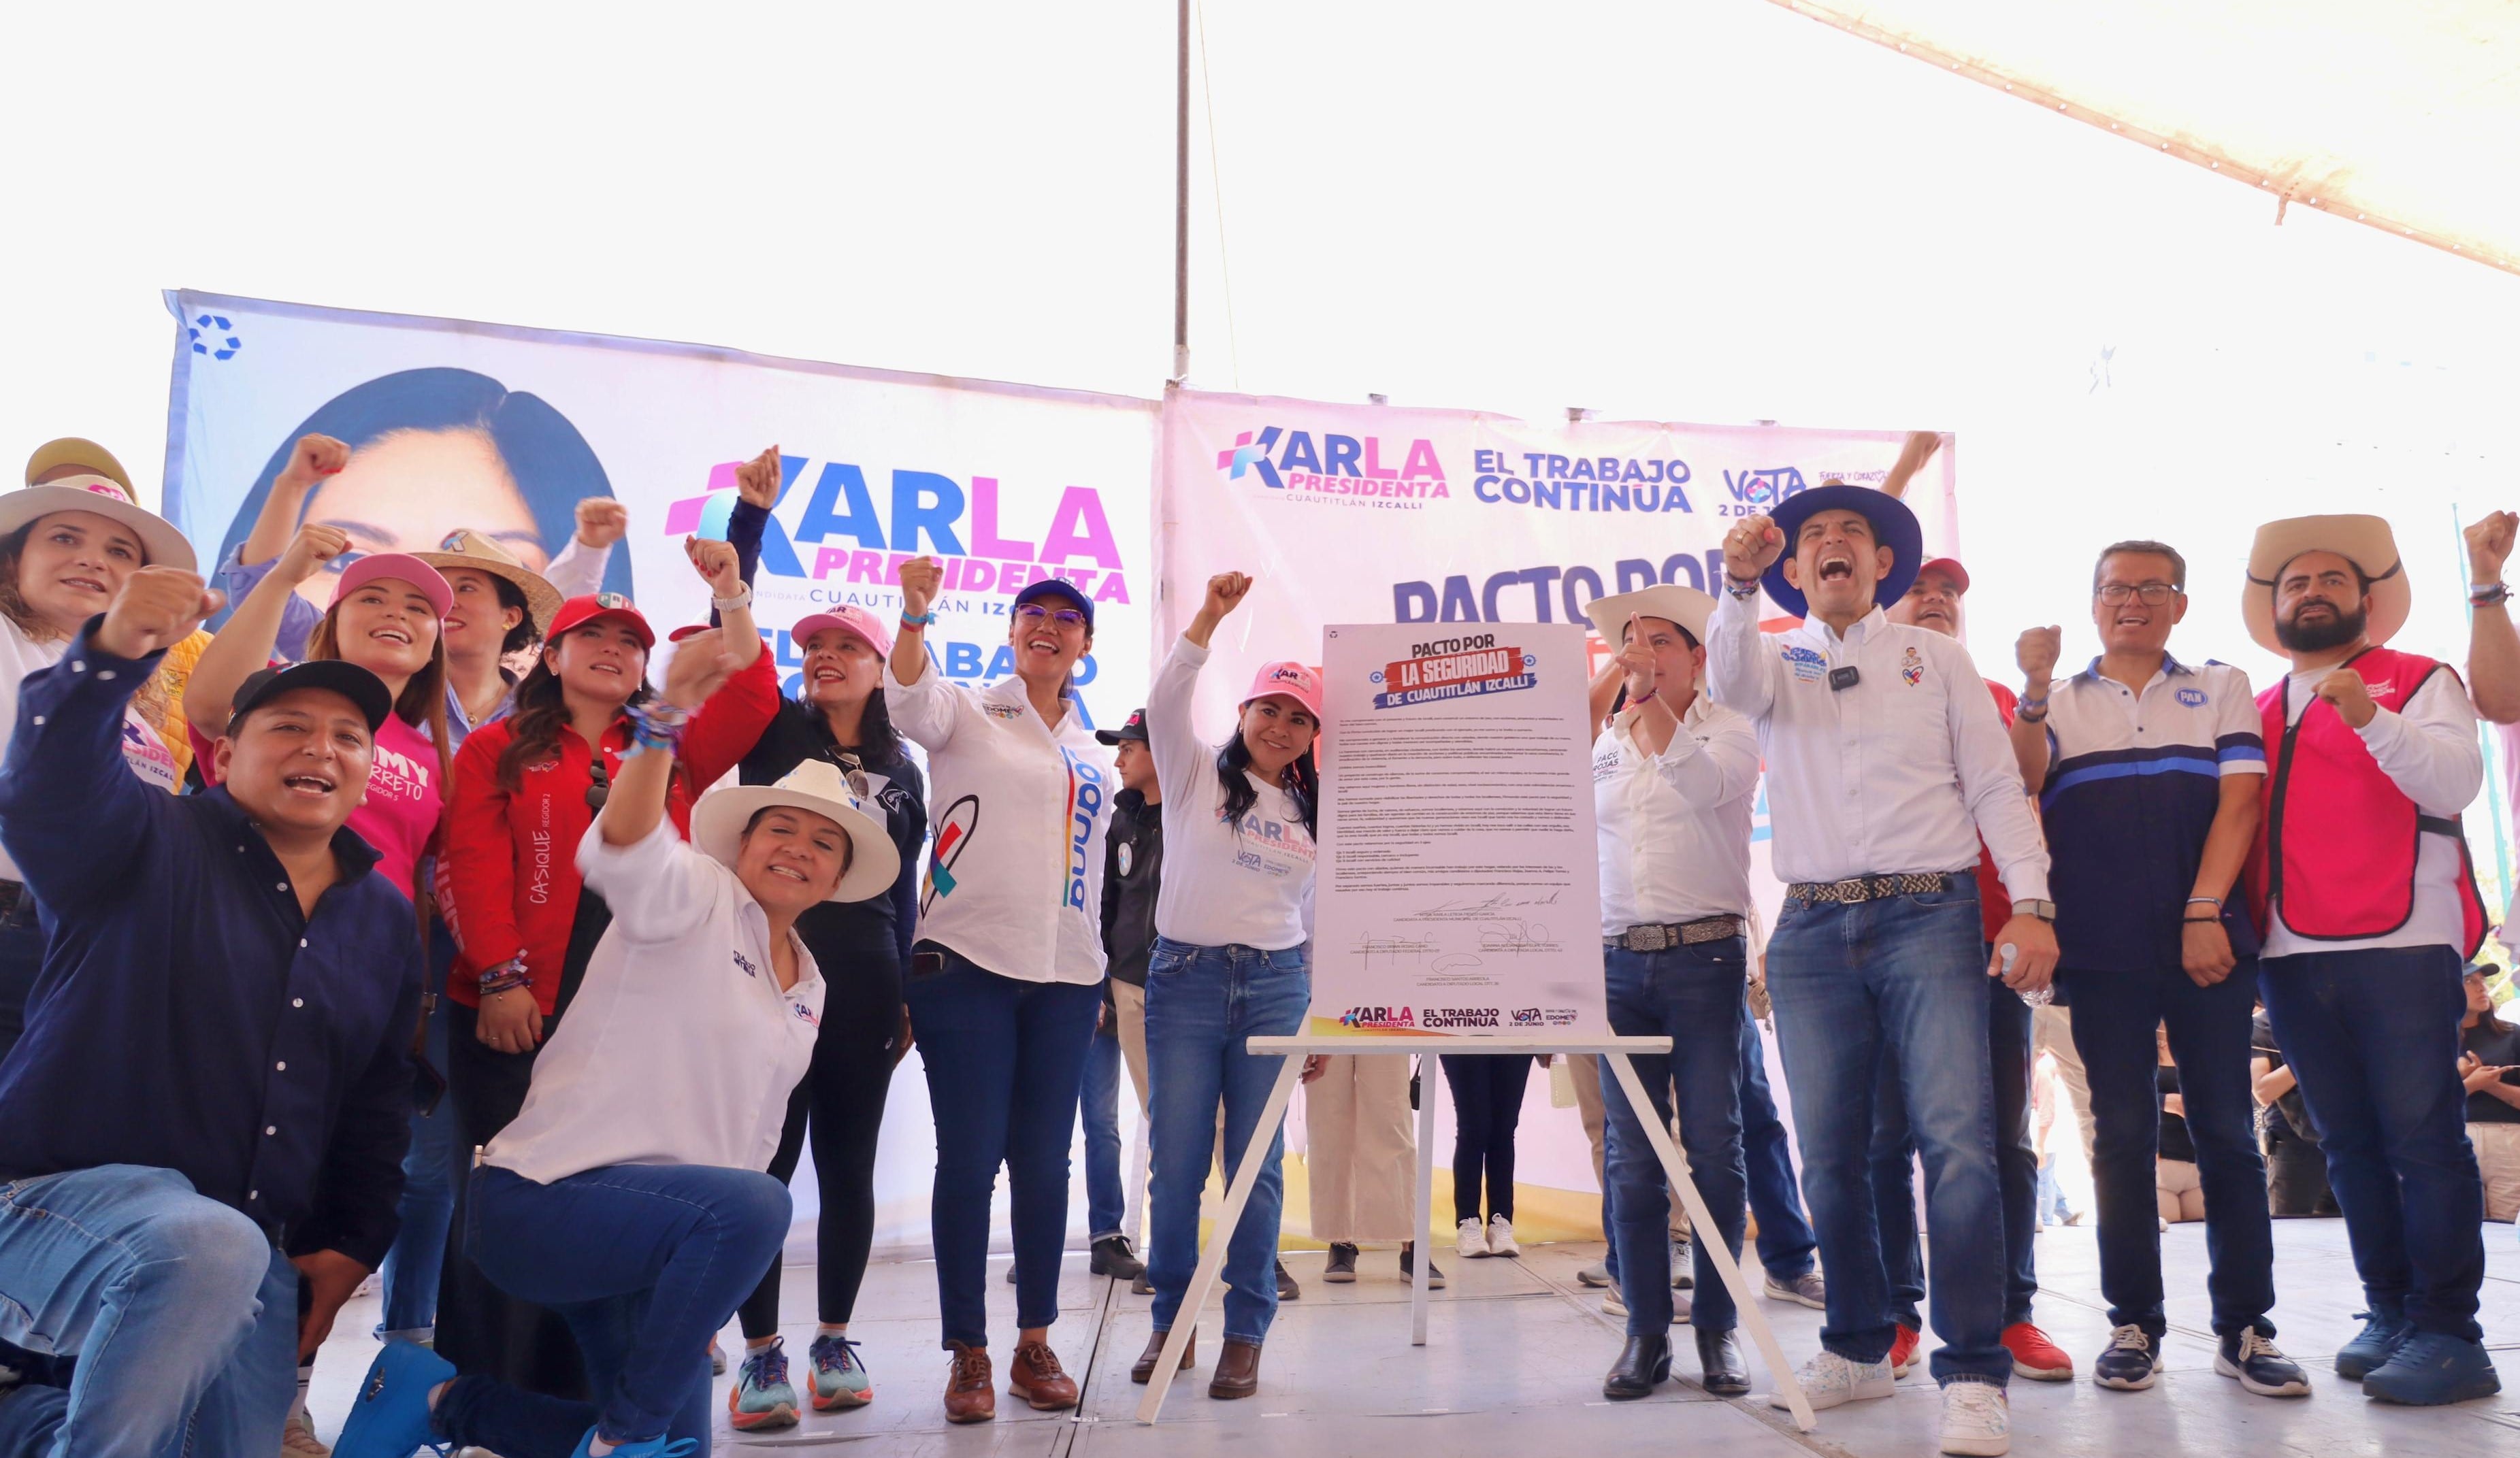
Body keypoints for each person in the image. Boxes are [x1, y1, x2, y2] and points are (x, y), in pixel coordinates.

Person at [333, 632, 899, 1458]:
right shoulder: (696, 895)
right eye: (780, 828)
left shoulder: (810, 983)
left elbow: (746, 1143)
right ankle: (621, 1436)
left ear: (838, 878)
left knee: (680, 1449)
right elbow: (625, 840)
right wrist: (664, 715)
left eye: (823, 844)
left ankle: (442, 1402)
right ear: (739, 845)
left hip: (655, 1243)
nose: (798, 850)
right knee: (760, 1208)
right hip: (547, 1199)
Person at [0, 567, 421, 1457]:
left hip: (243, 1256)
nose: (324, 745)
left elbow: (377, 1101)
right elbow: (48, 788)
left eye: (349, 734)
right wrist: (109, 655)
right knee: (206, 1243)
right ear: (224, 756)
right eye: (291, 727)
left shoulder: (383, 914)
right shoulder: (147, 837)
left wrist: (351, 1241)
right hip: (42, 1210)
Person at [1712, 484, 2057, 1458]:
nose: (1831, 545)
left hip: (1927, 912)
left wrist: (2029, 902)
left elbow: (1993, 784)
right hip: (1811, 928)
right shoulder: (1771, 657)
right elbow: (1727, 682)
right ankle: (1857, 1344)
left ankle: (1973, 1372)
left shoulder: (1935, 657)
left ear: (1877, 566)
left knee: (1958, 1143)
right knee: (1831, 1150)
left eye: (1850, 536)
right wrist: (1734, 583)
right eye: (1813, 536)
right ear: (1791, 569)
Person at [436, 539, 776, 1397]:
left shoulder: (668, 749)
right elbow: (473, 863)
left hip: (634, 1031)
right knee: (506, 1204)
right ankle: (484, 1394)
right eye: (595, 636)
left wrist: (731, 590)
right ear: (550, 655)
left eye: (631, 644)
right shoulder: (495, 745)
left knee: (616, 1202)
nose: (616, 652)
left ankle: (604, 1393)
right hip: (520, 1011)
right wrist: (502, 977)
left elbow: (753, 691)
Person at [2008, 539, 2302, 1396]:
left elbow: (2241, 801)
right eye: (2113, 589)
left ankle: (2246, 1327)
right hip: (2101, 954)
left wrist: (2203, 910)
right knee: (2122, 1138)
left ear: (2178, 602)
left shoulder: (2220, 686)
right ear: (2093, 603)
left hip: (2208, 942)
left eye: (2150, 588)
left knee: (2224, 1131)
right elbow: (2024, 783)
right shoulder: (2056, 701)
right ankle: (2132, 1322)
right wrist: (2030, 693)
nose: (2129, 601)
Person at [2242, 513, 2499, 1404]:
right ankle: (2388, 1308)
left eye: (2328, 580)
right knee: (2344, 1141)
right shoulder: (2257, 705)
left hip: (2400, 940)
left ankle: (2447, 1330)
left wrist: (2367, 715)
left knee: (2422, 1140)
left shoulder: (2419, 677)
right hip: (2287, 948)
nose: (2309, 592)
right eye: (2292, 584)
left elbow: (2451, 782)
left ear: (2364, 600)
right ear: (2272, 608)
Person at [886, 558, 1115, 1424]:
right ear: (1012, 632)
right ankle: (969, 1352)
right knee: (971, 1158)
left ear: (1085, 644)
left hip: (1063, 979)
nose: (1048, 625)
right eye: (1033, 614)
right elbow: (908, 699)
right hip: (968, 966)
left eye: (1066, 617)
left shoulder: (1091, 751)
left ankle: (1033, 1341)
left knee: (1046, 1162)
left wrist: (1088, 967)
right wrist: (915, 614)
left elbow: (1086, 873)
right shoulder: (970, 707)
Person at [723, 602, 930, 1428]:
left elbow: (907, 882)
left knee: (847, 1164)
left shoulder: (903, 763)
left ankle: (834, 1342)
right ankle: (761, 1351)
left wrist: (908, 984)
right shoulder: (773, 730)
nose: (826, 656)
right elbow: (734, 647)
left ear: (883, 667)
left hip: (869, 978)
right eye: (815, 645)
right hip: (767, 970)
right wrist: (744, 532)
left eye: (848, 646)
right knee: (762, 1169)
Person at [1878, 556, 2071, 1385]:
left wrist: (2032, 689)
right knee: (1884, 1140)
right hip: (1880, 946)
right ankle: (1894, 1314)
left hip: (1989, 942)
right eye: (1920, 588)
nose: (1937, 601)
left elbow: (2028, 780)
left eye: (1949, 593)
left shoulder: (1991, 694)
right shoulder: (1843, 685)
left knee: (1999, 1142)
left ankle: (2009, 1313)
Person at [1128, 571, 1318, 1401]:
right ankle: (1172, 1320)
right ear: (1242, 713)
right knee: (1176, 1165)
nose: (1280, 725)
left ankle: (1247, 1330)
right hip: (1187, 980)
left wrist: (1320, 1017)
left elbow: (1327, 917)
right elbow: (1168, 694)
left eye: (1299, 716)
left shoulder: (1317, 811)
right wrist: (1207, 616)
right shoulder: (1193, 766)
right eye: (1269, 707)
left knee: (1257, 1165)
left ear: (1315, 734)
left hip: (1279, 986)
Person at [1574, 585, 1759, 1400]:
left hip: (1705, 960)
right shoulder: (1602, 742)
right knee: (1631, 1158)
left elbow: (1698, 790)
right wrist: (1618, 698)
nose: (1639, 653)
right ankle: (1645, 1331)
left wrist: (1646, 703)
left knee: (1716, 1148)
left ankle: (1717, 1326)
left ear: (1696, 656)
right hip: (1617, 965)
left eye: (1656, 642)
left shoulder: (1731, 730)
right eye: (1627, 643)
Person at [0, 446, 197, 1066]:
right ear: (12, 563)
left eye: (120, 552)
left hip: (85, 952)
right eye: (64, 537)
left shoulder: (130, 697)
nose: (92, 559)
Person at [213, 370, 632, 633]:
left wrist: (590, 550)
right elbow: (260, 596)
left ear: (515, 615)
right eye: (352, 561)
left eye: (472, 582)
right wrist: (292, 486)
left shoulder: (520, 700)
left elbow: (559, 613)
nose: (429, 594)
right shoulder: (338, 662)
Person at [1093, 706, 1160, 1287]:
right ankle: (1169, 1253)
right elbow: (1105, 905)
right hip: (1129, 984)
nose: (1118, 759)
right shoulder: (1120, 822)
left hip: (1193, 985)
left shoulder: (1198, 815)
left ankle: (1257, 1253)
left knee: (1220, 1122)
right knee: (1161, 1118)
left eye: (1129, 747)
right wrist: (1106, 984)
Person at [1443, 1053, 1536, 1261]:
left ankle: (1500, 1221)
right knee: (1473, 1126)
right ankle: (1467, 1222)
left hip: (1515, 1032)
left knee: (1504, 1128)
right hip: (1463, 1031)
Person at [2248, 1005, 2336, 1217]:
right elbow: (2262, 1090)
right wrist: (2309, 1056)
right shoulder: (2260, 1027)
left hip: (2347, 1140)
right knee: (2289, 1226)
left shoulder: (2337, 1017)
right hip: (2293, 1144)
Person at [2459, 966, 2520, 1220]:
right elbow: (2417, 1105)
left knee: (2508, 1228)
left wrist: (2488, 1083)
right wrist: (2469, 1084)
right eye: (2469, 981)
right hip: (2453, 1137)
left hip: (2509, 1139)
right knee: (2462, 1228)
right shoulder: (2431, 1041)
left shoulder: (2511, 1035)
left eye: (2482, 981)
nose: (2481, 986)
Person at [2153, 1029, 2204, 1225]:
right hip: (2161, 1162)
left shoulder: (2198, 1047)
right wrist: (2164, 1101)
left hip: (2197, 1159)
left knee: (2199, 1237)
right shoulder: (2140, 1047)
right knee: (2170, 1236)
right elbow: (2123, 1097)